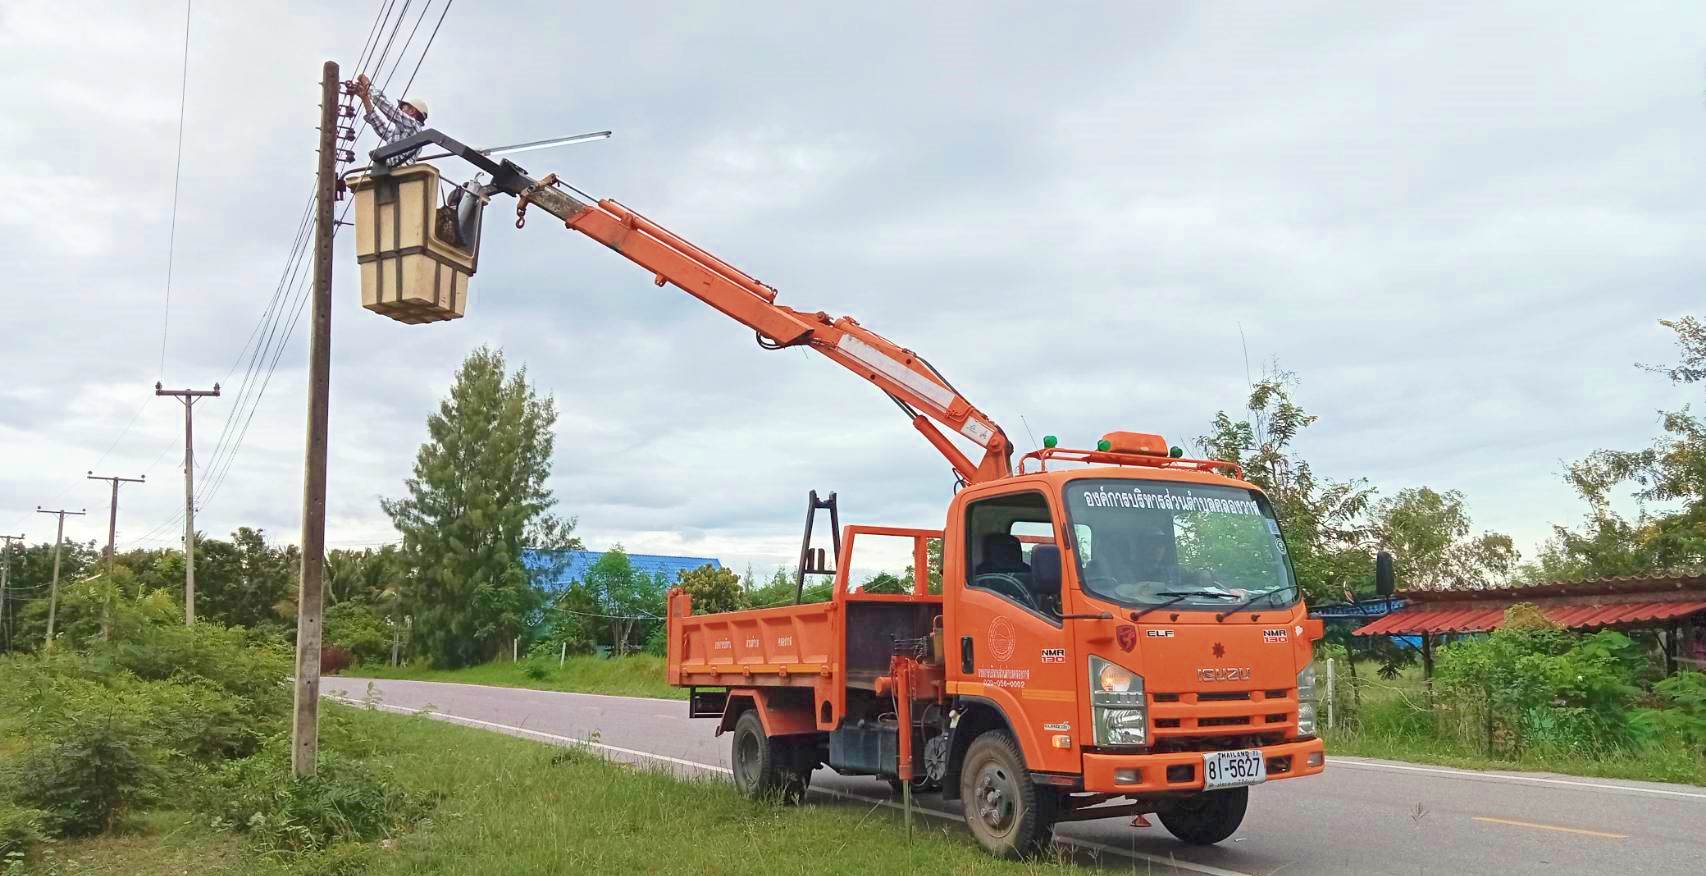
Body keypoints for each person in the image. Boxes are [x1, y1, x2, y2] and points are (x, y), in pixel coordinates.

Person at [352, 74, 428, 164]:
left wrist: (368, 85)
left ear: (412, 111)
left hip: (399, 172)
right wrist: (365, 99)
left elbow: (389, 109)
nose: (401, 110)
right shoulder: (404, 132)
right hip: (394, 172)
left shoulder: (413, 125)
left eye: (403, 107)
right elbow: (381, 128)